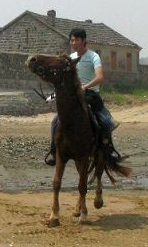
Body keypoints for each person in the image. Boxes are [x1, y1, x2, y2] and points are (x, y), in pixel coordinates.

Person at [45, 29, 119, 166]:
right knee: (55, 121)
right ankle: (53, 151)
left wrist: (85, 87)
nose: (73, 43)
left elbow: (99, 77)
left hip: (90, 94)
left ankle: (110, 149)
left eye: (76, 40)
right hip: (72, 95)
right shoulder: (70, 58)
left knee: (106, 121)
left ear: (84, 41)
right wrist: (53, 94)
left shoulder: (93, 57)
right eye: (71, 40)